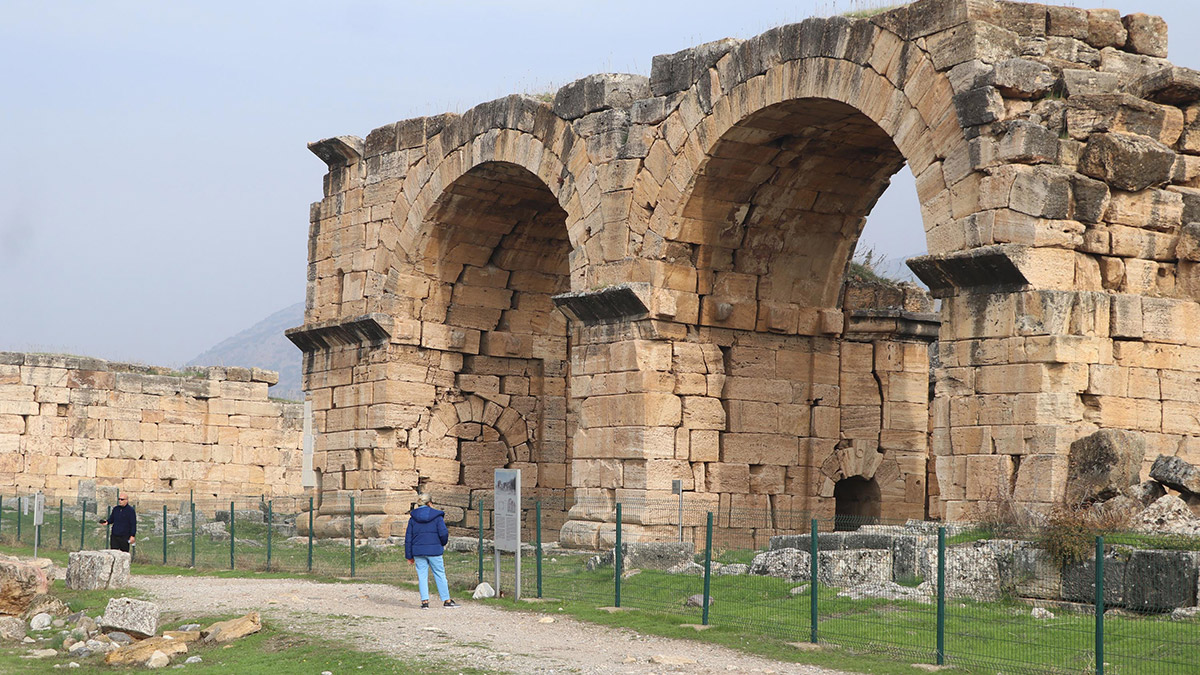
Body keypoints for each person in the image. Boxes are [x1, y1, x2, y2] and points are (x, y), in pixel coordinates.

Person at [404, 493, 458, 609]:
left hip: (418, 551)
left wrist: (409, 556)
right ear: (430, 503)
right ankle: (447, 600)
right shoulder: (437, 517)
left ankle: (425, 602)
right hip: (434, 550)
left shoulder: (413, 519)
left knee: (422, 576)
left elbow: (408, 538)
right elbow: (443, 533)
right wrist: (442, 543)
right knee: (439, 574)